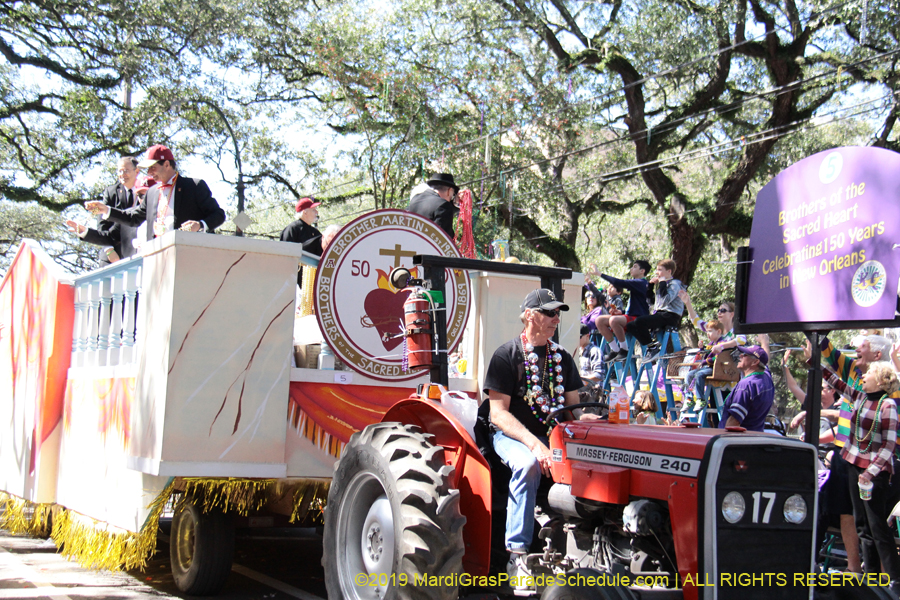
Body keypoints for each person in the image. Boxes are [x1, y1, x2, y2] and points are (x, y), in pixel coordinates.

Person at [483, 288, 598, 583]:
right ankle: (517, 557)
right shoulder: (506, 355)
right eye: (549, 312)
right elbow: (498, 415)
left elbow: (571, 410)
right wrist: (536, 446)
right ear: (530, 316)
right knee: (527, 465)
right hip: (511, 437)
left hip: (553, 436)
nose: (555, 318)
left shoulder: (561, 359)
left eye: (558, 313)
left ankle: (588, 547)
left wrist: (588, 421)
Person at [821, 361, 900, 596]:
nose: (864, 377)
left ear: (881, 380)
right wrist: (816, 362)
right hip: (854, 464)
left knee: (877, 525)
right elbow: (838, 384)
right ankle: (871, 578)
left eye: (869, 374)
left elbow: (888, 445)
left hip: (874, 473)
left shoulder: (888, 405)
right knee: (862, 524)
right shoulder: (861, 397)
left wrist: (870, 472)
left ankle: (895, 579)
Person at [85, 145, 226, 241]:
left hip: (187, 254)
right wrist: (106, 209)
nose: (149, 173)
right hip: (157, 257)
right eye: (148, 169)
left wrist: (200, 225)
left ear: (166, 164)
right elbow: (134, 217)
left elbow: (219, 215)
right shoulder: (152, 192)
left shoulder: (194, 186)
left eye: (153, 168)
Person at [67, 156, 142, 264]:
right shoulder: (111, 192)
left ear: (137, 171)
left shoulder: (145, 191)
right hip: (112, 253)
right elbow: (102, 225)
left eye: (126, 171)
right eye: (120, 171)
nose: (122, 175)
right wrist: (109, 250)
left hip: (137, 252)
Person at [592, 260, 653, 362]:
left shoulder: (641, 283)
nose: (631, 269)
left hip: (638, 319)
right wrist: (622, 312)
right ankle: (615, 350)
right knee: (599, 321)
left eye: (635, 267)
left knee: (614, 320)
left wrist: (599, 274)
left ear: (642, 271)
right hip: (630, 316)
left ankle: (624, 349)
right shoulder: (637, 284)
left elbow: (619, 282)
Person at [625, 259, 684, 362]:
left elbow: (665, 301)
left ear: (669, 271)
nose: (657, 272)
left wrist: (662, 283)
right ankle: (651, 346)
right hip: (661, 314)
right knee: (630, 325)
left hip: (671, 315)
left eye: (660, 270)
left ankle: (652, 349)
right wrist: (650, 286)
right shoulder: (663, 284)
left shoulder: (674, 284)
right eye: (657, 270)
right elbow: (651, 302)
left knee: (640, 321)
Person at [719, 345, 774, 431]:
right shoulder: (767, 378)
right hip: (755, 438)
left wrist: (722, 441)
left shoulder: (746, 386)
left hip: (738, 441)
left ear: (755, 362)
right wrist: (764, 342)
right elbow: (765, 363)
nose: (740, 356)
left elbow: (734, 423)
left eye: (745, 355)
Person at [679, 292, 747, 356]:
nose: (719, 313)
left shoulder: (736, 331)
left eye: (723, 310)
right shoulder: (714, 327)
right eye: (718, 310)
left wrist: (721, 346)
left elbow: (741, 340)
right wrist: (688, 303)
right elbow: (696, 321)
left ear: (732, 314)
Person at [682, 320, 725, 411]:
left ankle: (700, 399)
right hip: (706, 367)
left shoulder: (722, 344)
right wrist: (702, 348)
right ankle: (689, 398)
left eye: (710, 331)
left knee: (699, 375)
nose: (707, 334)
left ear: (719, 331)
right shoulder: (710, 344)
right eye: (707, 331)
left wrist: (705, 362)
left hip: (714, 369)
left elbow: (716, 358)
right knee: (689, 375)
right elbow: (706, 355)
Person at [407, 173, 460, 238]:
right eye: (453, 194)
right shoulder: (444, 205)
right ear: (449, 191)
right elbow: (444, 240)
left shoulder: (415, 199)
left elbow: (436, 208)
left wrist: (455, 203)